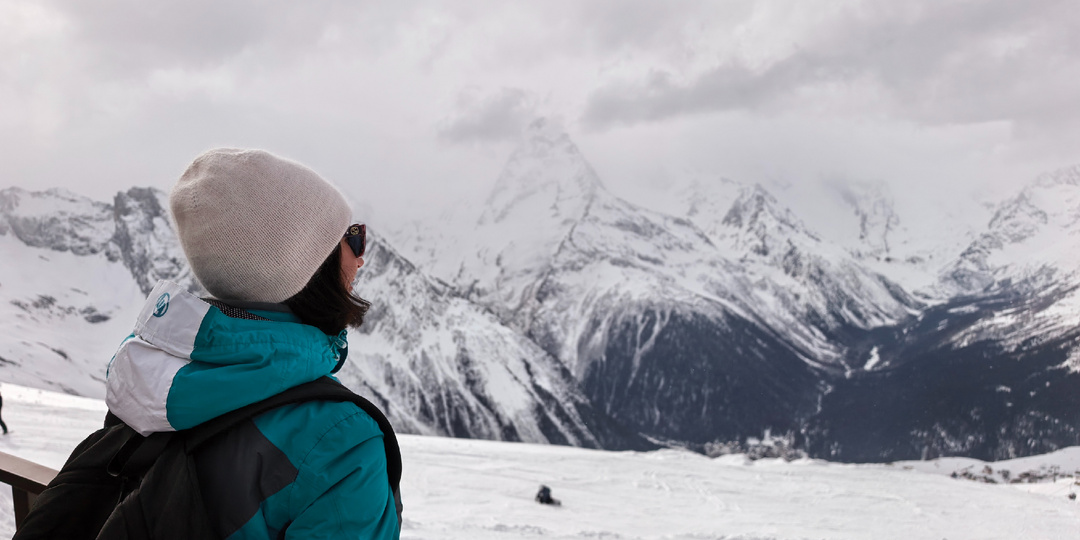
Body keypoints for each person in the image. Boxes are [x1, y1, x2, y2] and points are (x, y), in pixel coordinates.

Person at [104, 148, 399, 539]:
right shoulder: (340, 442)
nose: (361, 259)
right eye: (352, 237)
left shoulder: (148, 374)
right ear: (306, 263)